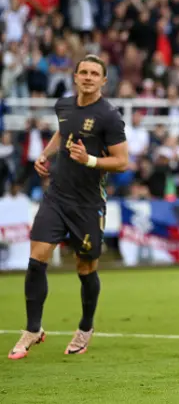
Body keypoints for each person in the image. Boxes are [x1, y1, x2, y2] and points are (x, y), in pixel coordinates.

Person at [8, 54, 129, 360]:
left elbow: (122, 161)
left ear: (103, 80)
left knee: (85, 267)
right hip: (56, 196)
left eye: (94, 74)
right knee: (37, 257)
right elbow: (62, 133)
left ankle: (85, 327)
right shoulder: (63, 105)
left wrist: (88, 160)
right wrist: (46, 155)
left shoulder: (110, 116)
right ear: (75, 77)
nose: (88, 77)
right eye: (83, 72)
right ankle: (32, 329)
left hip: (88, 204)